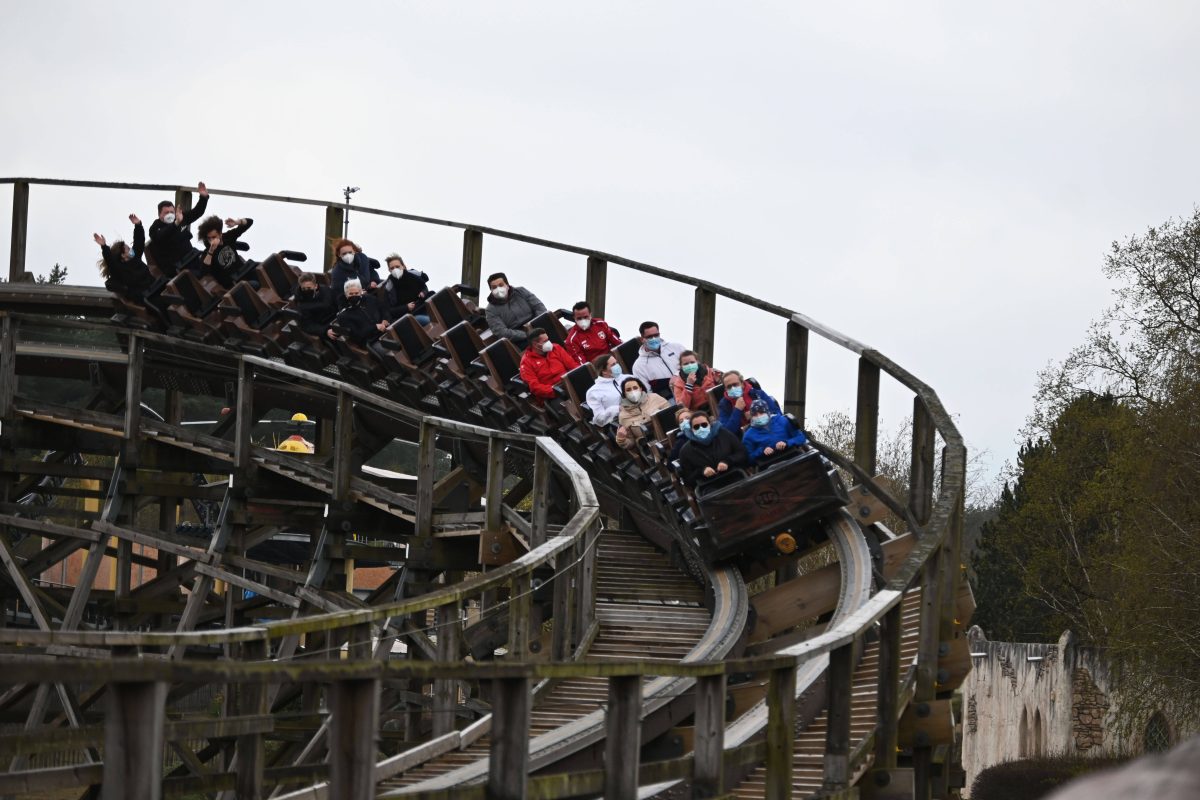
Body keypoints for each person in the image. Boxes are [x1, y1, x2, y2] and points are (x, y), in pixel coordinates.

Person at [148, 181, 209, 276]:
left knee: (211, 265)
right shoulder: (155, 227)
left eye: (171, 212)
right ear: (160, 214)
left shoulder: (179, 217)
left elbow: (197, 212)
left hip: (192, 257)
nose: (170, 215)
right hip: (177, 268)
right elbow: (161, 236)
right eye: (166, 212)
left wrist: (203, 198)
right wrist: (176, 224)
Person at [678, 410, 748, 487]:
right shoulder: (685, 451)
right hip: (708, 486)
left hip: (735, 476)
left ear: (710, 425)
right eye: (696, 427)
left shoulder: (724, 434)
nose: (701, 428)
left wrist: (728, 461)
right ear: (691, 430)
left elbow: (742, 453)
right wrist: (701, 471)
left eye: (704, 425)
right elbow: (687, 479)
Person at [93, 214, 154, 299]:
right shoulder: (120, 269)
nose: (131, 249)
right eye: (128, 249)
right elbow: (110, 261)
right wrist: (104, 246)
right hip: (144, 297)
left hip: (154, 287)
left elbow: (139, 241)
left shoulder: (135, 258)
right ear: (122, 255)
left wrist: (138, 225)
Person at [328, 278, 389, 359]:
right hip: (371, 341)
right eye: (351, 294)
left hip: (386, 332)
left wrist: (385, 319)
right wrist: (375, 327)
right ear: (346, 295)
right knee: (390, 354)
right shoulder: (343, 315)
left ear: (361, 292)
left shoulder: (370, 299)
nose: (354, 296)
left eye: (356, 293)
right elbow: (356, 334)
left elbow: (383, 309)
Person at [484, 272, 546, 348]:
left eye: (500, 285)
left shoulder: (521, 291)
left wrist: (537, 328)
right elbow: (502, 332)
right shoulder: (490, 310)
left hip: (538, 326)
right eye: (494, 287)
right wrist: (527, 335)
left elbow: (539, 307)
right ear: (491, 290)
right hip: (520, 338)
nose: (498, 289)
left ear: (507, 285)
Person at [741, 400, 809, 465]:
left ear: (767, 412)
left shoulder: (783, 421)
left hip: (793, 457)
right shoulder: (748, 435)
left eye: (761, 413)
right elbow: (748, 459)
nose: (759, 416)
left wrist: (787, 443)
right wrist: (761, 451)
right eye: (755, 415)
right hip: (769, 466)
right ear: (752, 417)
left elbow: (801, 438)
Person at [519, 328, 579, 401]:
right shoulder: (526, 362)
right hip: (553, 396)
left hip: (570, 384)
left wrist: (577, 378)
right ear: (535, 344)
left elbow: (573, 365)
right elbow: (535, 387)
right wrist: (557, 391)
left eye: (548, 339)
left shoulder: (556, 348)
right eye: (545, 341)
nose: (549, 343)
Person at [631, 321, 686, 399]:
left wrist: (676, 375)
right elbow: (647, 393)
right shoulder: (638, 366)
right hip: (668, 401)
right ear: (642, 339)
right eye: (649, 337)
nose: (654, 338)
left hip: (689, 390)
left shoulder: (677, 347)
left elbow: (693, 364)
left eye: (656, 335)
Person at [197, 215, 254, 289]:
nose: (211, 241)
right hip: (234, 286)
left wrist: (237, 222)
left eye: (214, 237)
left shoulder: (228, 237)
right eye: (209, 238)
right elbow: (203, 272)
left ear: (220, 234)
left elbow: (250, 222)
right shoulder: (207, 252)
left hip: (244, 273)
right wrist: (211, 251)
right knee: (254, 284)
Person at [615, 376, 670, 450]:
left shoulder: (655, 398)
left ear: (640, 389)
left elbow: (672, 414)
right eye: (628, 390)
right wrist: (621, 440)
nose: (633, 391)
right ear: (624, 393)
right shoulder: (623, 416)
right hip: (651, 448)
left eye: (635, 388)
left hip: (668, 437)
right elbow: (631, 443)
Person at [381, 254, 431, 325]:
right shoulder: (389, 287)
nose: (395, 269)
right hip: (411, 316)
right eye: (392, 268)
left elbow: (424, 287)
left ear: (403, 266)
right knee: (425, 320)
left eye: (397, 267)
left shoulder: (412, 275)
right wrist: (406, 308)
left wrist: (423, 292)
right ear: (389, 270)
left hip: (424, 306)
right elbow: (389, 310)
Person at [584, 353, 624, 426]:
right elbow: (599, 419)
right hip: (619, 422)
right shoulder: (594, 392)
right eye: (613, 365)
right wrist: (616, 409)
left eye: (616, 363)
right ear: (604, 371)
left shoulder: (625, 378)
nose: (617, 366)